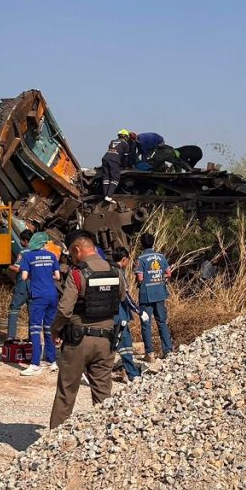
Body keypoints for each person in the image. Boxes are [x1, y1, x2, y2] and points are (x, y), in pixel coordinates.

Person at [49, 233, 126, 428]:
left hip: (78, 341)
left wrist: (55, 330)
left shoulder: (77, 273)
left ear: (76, 250)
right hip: (106, 341)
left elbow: (65, 310)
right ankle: (105, 441)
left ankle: (54, 444)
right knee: (103, 396)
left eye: (71, 253)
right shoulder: (116, 271)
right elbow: (122, 297)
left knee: (66, 394)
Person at [17, 232, 60, 376]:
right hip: (52, 295)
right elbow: (58, 277)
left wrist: (33, 275)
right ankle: (52, 361)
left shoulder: (28, 256)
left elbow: (23, 277)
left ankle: (35, 364)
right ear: (44, 243)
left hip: (38, 296)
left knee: (35, 329)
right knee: (49, 328)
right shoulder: (52, 256)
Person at [136, 232, 174, 362]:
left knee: (146, 323)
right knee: (162, 322)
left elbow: (140, 278)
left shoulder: (141, 259)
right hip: (160, 293)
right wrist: (160, 279)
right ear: (153, 242)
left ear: (142, 244)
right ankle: (168, 350)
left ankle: (150, 353)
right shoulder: (160, 257)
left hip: (146, 296)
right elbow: (169, 273)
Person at [112, 246, 147, 381]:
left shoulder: (108, 270)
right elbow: (125, 297)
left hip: (109, 314)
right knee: (125, 344)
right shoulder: (119, 272)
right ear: (124, 259)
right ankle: (132, 374)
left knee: (112, 344)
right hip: (119, 314)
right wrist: (138, 311)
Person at [6, 229, 34, 341]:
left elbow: (17, 269)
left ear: (25, 241)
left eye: (22, 240)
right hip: (34, 285)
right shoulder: (39, 252)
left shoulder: (23, 252)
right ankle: (32, 338)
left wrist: (6, 266)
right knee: (32, 313)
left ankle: (11, 337)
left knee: (14, 310)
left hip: (23, 285)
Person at [100, 130, 134, 202]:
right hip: (114, 160)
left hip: (105, 158)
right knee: (115, 179)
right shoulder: (125, 144)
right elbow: (125, 157)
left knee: (106, 178)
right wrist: (125, 166)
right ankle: (109, 196)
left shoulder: (112, 141)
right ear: (125, 137)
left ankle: (105, 196)